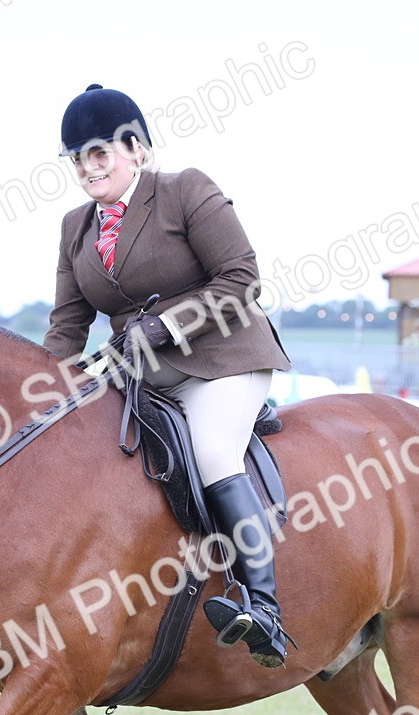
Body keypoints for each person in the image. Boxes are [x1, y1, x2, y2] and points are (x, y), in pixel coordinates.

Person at [43, 84, 294, 668]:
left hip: (222, 360)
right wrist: (40, 394)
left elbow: (241, 279)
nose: (86, 168)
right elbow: (66, 325)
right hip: (138, 379)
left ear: (136, 148)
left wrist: (161, 328)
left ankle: (265, 609)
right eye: (77, 158)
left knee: (212, 451)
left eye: (99, 153)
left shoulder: (185, 191)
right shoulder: (75, 228)